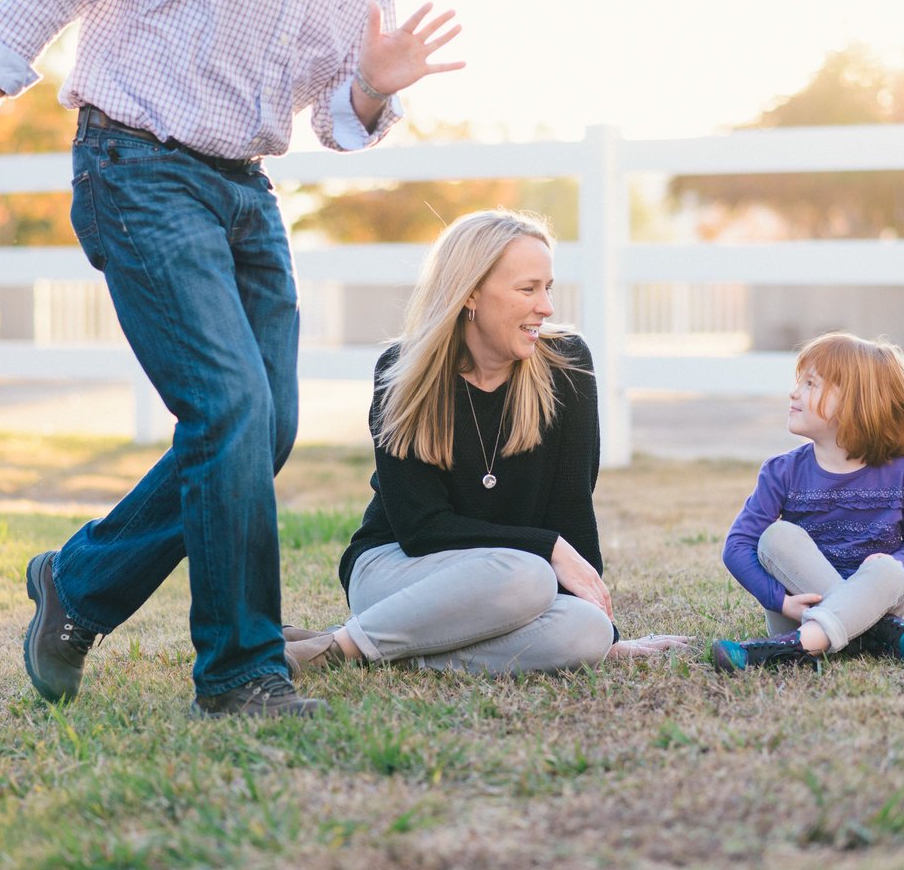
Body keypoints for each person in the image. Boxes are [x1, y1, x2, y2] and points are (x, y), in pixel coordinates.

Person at [0, 0, 465, 719]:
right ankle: (241, 672)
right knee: (230, 408)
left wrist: (372, 87)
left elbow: (333, 115)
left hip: (244, 189)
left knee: (265, 425)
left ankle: (80, 582)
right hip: (137, 165)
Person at [282, 210, 689, 673]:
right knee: (529, 574)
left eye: (548, 288)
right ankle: (339, 652)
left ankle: (385, 648)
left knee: (585, 632)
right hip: (399, 567)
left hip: (510, 578)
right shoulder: (404, 371)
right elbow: (421, 529)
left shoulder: (568, 365)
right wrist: (547, 548)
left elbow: (572, 504)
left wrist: (608, 635)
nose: (546, 307)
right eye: (528, 289)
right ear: (471, 291)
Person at [712, 332, 904, 672]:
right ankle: (881, 636)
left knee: (889, 569)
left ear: (855, 400)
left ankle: (784, 651)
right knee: (777, 536)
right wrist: (782, 603)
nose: (793, 392)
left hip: (875, 601)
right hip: (799, 613)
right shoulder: (782, 471)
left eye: (809, 384)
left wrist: (901, 564)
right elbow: (737, 545)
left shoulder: (901, 470)